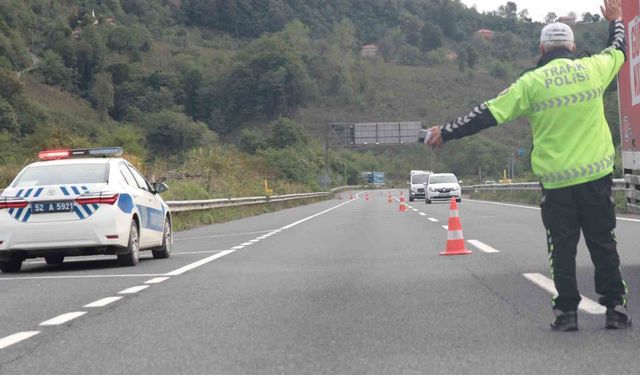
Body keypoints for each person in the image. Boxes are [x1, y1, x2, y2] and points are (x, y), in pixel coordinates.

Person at [422, 0, 630, 331]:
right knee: (604, 244)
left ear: (541, 48)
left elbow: (486, 113)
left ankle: (567, 314)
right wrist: (616, 19)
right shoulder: (593, 68)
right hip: (596, 179)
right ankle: (616, 310)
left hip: (557, 185)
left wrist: (445, 131)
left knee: (561, 249)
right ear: (573, 47)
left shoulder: (530, 83)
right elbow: (618, 47)